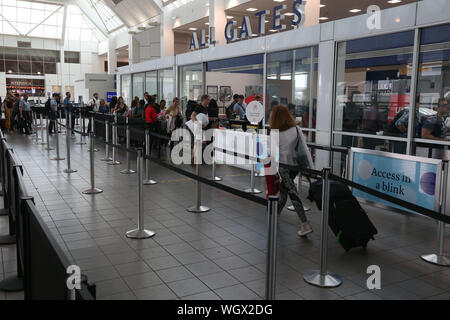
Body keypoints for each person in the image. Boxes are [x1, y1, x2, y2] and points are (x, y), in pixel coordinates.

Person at [270, 105, 313, 237]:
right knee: (284, 190)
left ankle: (305, 223)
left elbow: (272, 152)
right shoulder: (296, 129)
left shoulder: (275, 132)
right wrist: (309, 167)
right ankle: (274, 215)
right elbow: (304, 149)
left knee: (292, 193)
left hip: (284, 167)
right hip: (295, 167)